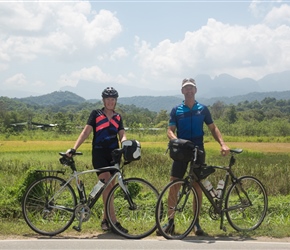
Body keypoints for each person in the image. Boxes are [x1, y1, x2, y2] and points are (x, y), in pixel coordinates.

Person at [165, 78, 230, 236]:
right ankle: (170, 221)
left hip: (198, 150)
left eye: (191, 88)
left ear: (195, 90)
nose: (189, 91)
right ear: (182, 91)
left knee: (197, 185)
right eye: (186, 88)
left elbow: (213, 128)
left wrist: (222, 143)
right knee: (174, 184)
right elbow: (170, 130)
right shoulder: (176, 110)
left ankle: (196, 223)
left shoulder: (203, 109)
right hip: (182, 150)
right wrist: (176, 140)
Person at [66, 87, 128, 233]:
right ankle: (114, 221)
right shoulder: (96, 114)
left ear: (116, 101)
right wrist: (74, 148)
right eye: (108, 99)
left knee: (110, 188)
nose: (110, 102)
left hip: (114, 155)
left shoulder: (118, 117)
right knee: (107, 184)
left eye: (113, 99)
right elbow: (86, 132)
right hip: (99, 153)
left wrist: (126, 145)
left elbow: (122, 135)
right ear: (103, 100)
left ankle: (105, 220)